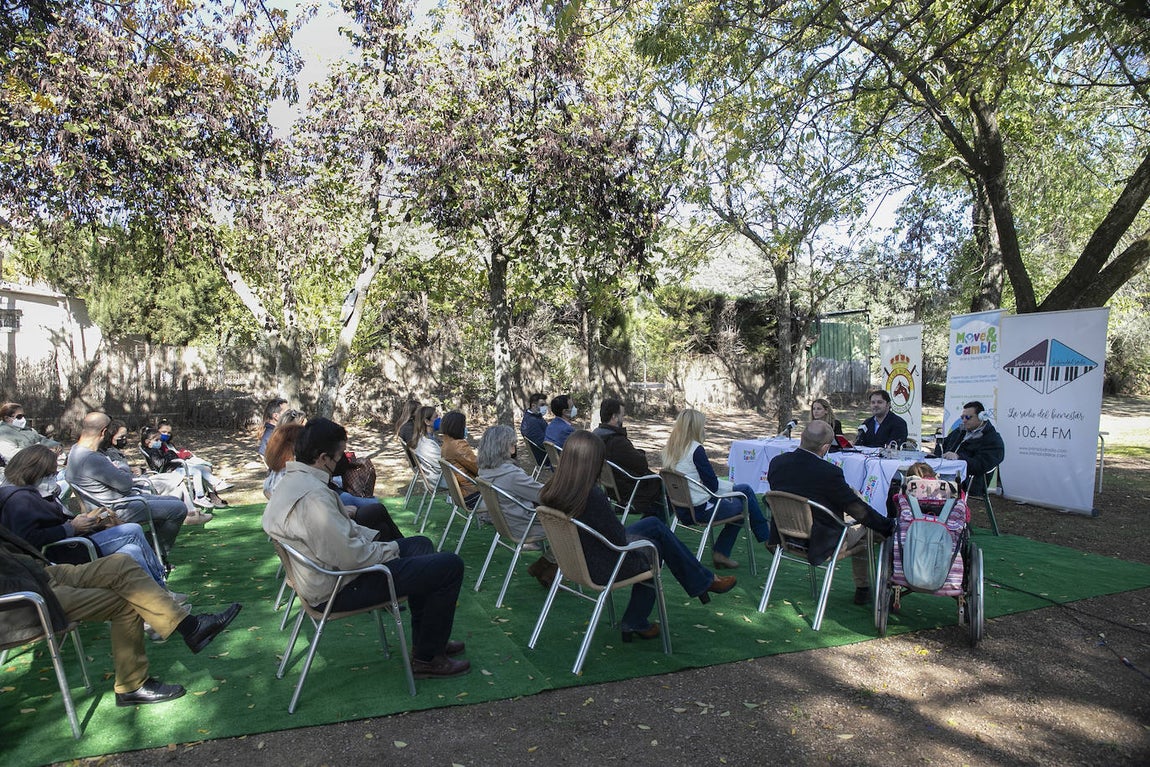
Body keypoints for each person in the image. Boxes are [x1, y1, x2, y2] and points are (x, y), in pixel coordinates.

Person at [263, 417, 469, 679]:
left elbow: (342, 540)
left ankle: (430, 644)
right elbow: (352, 558)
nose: (341, 464)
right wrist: (390, 548)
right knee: (450, 565)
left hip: (330, 576)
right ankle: (427, 659)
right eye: (339, 457)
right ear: (323, 458)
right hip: (340, 587)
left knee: (421, 545)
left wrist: (384, 544)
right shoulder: (314, 496)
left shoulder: (293, 482)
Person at [0, 524, 241, 706]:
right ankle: (131, 685)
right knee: (126, 602)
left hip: (40, 573)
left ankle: (192, 627)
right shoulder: (19, 497)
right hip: (24, 598)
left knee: (119, 563)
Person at [539, 430, 737, 642]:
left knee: (654, 525)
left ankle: (702, 582)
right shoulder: (591, 496)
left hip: (579, 558)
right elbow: (618, 540)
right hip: (602, 565)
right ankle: (640, 617)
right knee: (655, 546)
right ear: (592, 463)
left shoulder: (553, 490)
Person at [0, 445, 170, 589]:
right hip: (61, 554)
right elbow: (26, 539)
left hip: (73, 544)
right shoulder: (19, 499)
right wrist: (71, 528)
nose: (53, 477)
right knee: (131, 529)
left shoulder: (34, 492)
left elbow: (52, 520)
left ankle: (151, 605)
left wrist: (90, 521)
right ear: (33, 472)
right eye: (50, 474)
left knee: (131, 551)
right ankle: (163, 591)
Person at [766, 420, 897, 605]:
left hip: (786, 534)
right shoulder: (829, 472)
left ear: (801, 437)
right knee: (872, 530)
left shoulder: (777, 463)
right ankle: (872, 588)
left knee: (863, 523)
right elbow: (858, 510)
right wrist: (888, 525)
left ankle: (864, 589)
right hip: (820, 541)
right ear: (826, 447)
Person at [65, 412, 190, 559]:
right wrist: (123, 468)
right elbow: (125, 484)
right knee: (179, 509)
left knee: (175, 501)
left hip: (114, 502)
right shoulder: (91, 458)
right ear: (104, 432)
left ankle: (150, 550)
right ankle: (155, 555)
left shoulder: (75, 450)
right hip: (116, 508)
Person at [662, 409, 771, 569]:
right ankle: (764, 538)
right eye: (703, 426)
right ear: (696, 427)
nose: (704, 428)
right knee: (744, 502)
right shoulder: (695, 449)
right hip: (700, 509)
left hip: (682, 507)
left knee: (744, 491)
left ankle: (761, 537)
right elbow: (712, 485)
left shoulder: (670, 448)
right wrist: (728, 487)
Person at [476, 424, 557, 586]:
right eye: (513, 444)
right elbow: (545, 496)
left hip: (506, 523)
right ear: (504, 447)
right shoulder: (511, 475)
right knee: (575, 525)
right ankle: (547, 565)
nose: (515, 447)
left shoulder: (485, 471)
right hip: (524, 525)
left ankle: (546, 565)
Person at [592, 398, 665, 519]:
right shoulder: (616, 441)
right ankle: (652, 526)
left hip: (612, 486)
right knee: (661, 486)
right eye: (622, 415)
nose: (623, 418)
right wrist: (640, 453)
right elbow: (641, 465)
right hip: (628, 488)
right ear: (614, 417)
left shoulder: (597, 436)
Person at [140, 426, 220, 516]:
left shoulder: (156, 449)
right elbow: (159, 463)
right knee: (195, 472)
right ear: (148, 442)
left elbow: (168, 457)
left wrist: (171, 455)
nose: (160, 442)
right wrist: (169, 455)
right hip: (168, 472)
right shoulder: (152, 451)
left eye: (160, 440)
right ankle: (199, 497)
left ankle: (205, 493)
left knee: (199, 470)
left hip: (173, 468)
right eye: (157, 440)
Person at [935, 400, 1005, 492]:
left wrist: (959, 457)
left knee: (932, 487)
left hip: (970, 480)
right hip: (947, 473)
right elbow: (942, 445)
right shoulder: (960, 431)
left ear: (981, 417)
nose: (964, 420)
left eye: (968, 417)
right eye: (962, 417)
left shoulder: (992, 439)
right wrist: (936, 457)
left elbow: (981, 465)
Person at [156, 420, 232, 498]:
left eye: (168, 433)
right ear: (157, 431)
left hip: (181, 463)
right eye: (163, 432)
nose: (166, 434)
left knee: (205, 467)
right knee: (199, 470)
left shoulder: (169, 444)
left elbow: (175, 453)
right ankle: (205, 494)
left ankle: (215, 487)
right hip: (174, 467)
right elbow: (171, 456)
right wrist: (184, 454)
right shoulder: (159, 445)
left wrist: (184, 453)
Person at [440, 411, 479, 508]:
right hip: (472, 493)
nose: (466, 428)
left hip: (459, 494)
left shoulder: (446, 444)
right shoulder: (458, 445)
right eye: (464, 425)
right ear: (458, 427)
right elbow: (479, 468)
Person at [407, 405, 442, 487]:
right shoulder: (427, 444)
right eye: (436, 417)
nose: (439, 419)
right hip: (438, 480)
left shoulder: (423, 438)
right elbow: (441, 465)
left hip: (434, 477)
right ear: (427, 422)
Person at [519, 393, 549, 466]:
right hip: (545, 457)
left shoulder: (535, 417)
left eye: (545, 405)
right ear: (533, 405)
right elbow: (542, 443)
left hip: (545, 454)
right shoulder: (531, 421)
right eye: (542, 405)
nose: (545, 407)